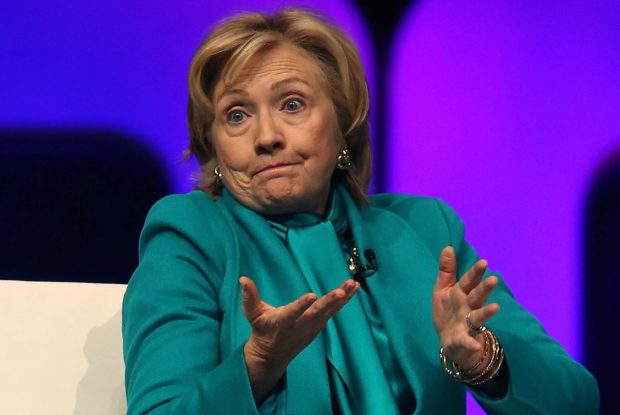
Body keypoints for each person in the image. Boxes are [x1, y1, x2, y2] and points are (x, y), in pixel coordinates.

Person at [122, 7, 599, 415]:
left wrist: (481, 360)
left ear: (343, 124)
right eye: (236, 115)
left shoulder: (425, 229)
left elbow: (576, 400)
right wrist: (258, 364)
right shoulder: (190, 236)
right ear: (213, 146)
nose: (266, 137)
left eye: (292, 104)